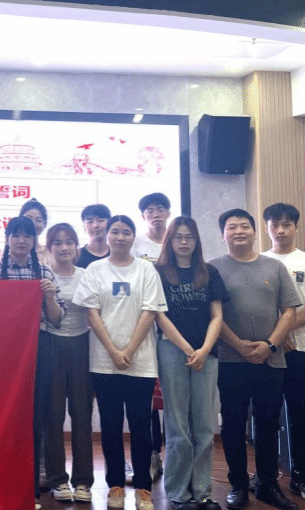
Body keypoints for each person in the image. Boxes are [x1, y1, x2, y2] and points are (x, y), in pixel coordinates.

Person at [72, 215, 167, 510]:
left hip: (141, 363)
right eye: (115, 232)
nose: (120, 237)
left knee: (141, 426)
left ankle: (143, 488)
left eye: (126, 232)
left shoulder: (146, 269)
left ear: (133, 236)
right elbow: (91, 312)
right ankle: (114, 485)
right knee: (111, 426)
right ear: (107, 235)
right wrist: (114, 351)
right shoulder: (95, 269)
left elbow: (150, 311)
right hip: (104, 362)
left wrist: (129, 350)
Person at [210, 209, 301, 510]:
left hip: (270, 361)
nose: (239, 231)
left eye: (245, 226)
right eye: (231, 227)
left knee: (268, 424)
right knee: (233, 425)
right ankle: (238, 485)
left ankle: (267, 485)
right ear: (222, 234)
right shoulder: (213, 269)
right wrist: (239, 346)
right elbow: (213, 315)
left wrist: (270, 345)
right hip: (229, 360)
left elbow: (289, 310)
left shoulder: (274, 267)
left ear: (254, 231)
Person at [0, 216, 64, 510]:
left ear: (33, 241)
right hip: (4, 352)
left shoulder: (44, 272)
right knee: (0, 419)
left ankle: (28, 491)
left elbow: (57, 318)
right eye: (15, 235)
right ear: (7, 239)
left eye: (27, 236)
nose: (21, 241)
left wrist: (50, 295)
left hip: (39, 347)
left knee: (34, 418)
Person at [260, 203, 305, 503]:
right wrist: (276, 338)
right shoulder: (259, 261)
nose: (280, 230)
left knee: (303, 417)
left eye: (287, 225)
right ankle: (265, 478)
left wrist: (284, 331)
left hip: (302, 349)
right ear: (267, 227)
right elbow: (253, 307)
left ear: (296, 227)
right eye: (275, 225)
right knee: (266, 416)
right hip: (268, 352)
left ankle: (300, 476)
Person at [154, 217, 227, 510]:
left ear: (196, 241)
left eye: (189, 237)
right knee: (178, 425)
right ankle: (178, 492)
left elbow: (217, 316)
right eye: (178, 237)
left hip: (207, 353)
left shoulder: (209, 272)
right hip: (172, 351)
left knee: (205, 425)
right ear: (169, 240)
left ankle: (202, 491)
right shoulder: (158, 272)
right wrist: (187, 349)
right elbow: (159, 315)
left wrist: (204, 349)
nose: (184, 242)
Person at [42, 223, 93, 504]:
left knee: (82, 415)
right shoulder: (44, 276)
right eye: (58, 243)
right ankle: (58, 480)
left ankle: (83, 481)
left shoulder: (88, 275)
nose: (64, 248)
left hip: (82, 346)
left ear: (76, 246)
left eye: (69, 242)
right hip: (52, 345)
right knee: (53, 416)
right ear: (50, 248)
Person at [131, 192, 172, 482]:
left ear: (168, 212)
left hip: (174, 327)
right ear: (143, 216)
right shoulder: (135, 244)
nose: (155, 214)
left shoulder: (178, 241)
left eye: (160, 209)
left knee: (173, 398)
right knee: (146, 398)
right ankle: (152, 456)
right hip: (144, 327)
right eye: (150, 211)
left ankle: (177, 457)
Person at [76, 204, 111, 269]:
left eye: (100, 220)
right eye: (90, 222)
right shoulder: (76, 256)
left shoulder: (116, 254)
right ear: (84, 227)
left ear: (109, 224)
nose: (95, 225)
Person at [20, 198, 51, 265]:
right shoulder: (10, 253)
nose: (33, 224)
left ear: (44, 225)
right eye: (28, 218)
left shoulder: (50, 253)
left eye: (38, 220)